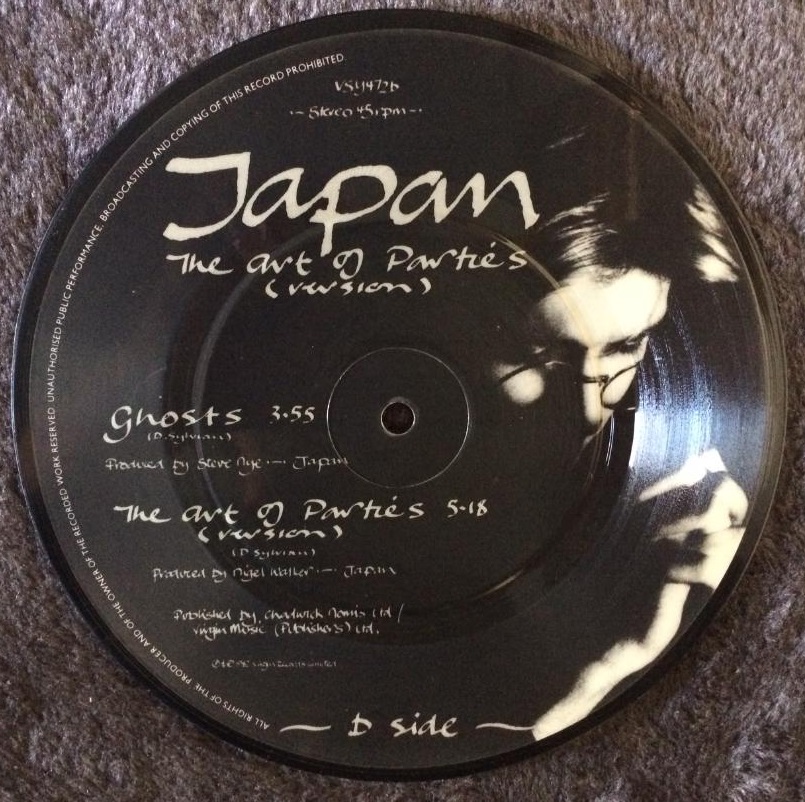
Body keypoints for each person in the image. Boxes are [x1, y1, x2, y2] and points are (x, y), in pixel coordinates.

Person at [492, 176, 750, 740]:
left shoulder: (688, 501)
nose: (591, 409)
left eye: (626, 347)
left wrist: (629, 655)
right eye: (543, 353)